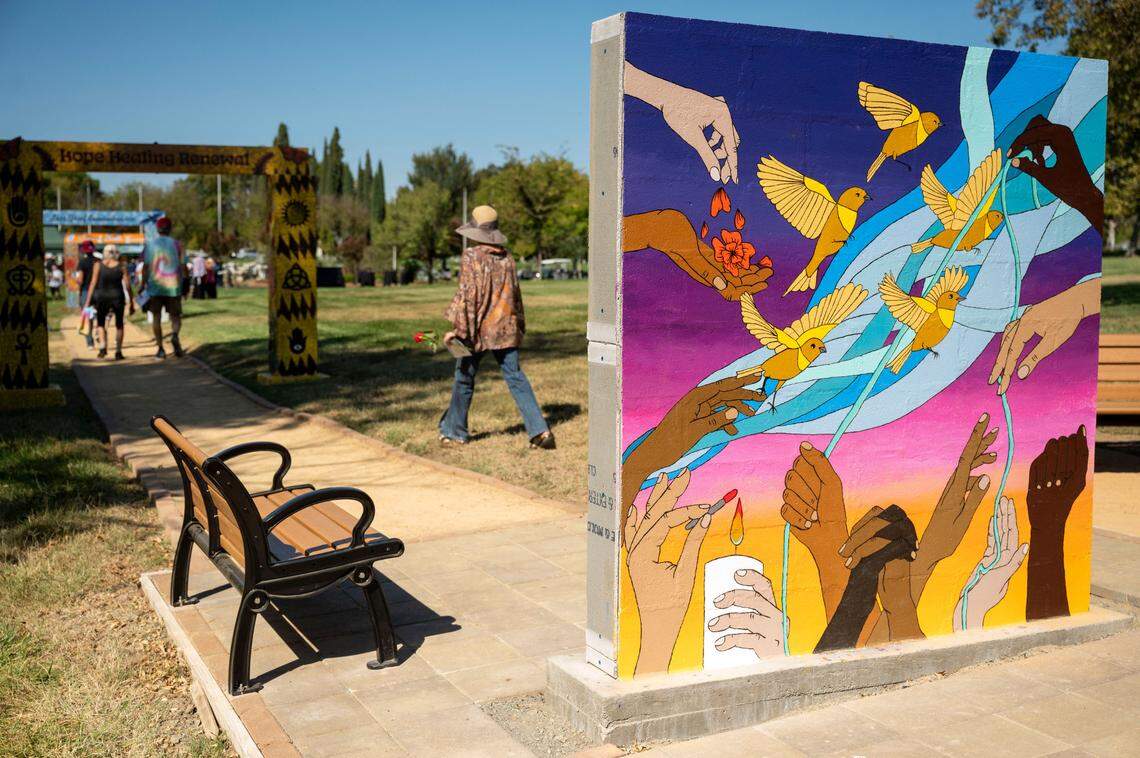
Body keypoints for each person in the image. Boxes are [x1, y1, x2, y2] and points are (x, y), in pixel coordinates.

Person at [439, 205, 555, 450]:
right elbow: (516, 297)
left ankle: (454, 431)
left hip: (479, 330)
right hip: (506, 328)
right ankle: (540, 431)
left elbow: (468, 297)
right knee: (515, 377)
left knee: (464, 378)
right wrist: (519, 325)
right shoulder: (508, 259)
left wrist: (459, 331)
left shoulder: (472, 257)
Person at [141, 216, 185, 359]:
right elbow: (183, 265)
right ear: (170, 229)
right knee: (175, 317)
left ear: (157, 229)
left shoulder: (150, 245)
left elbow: (146, 267)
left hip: (155, 287)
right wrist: (185, 281)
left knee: (156, 318)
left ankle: (160, 348)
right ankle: (175, 335)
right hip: (173, 287)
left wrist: (143, 284)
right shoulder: (178, 244)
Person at [82, 244, 134, 359]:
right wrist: (131, 302)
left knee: (100, 323)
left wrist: (87, 301)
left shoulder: (98, 265)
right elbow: (128, 285)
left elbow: (93, 283)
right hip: (117, 297)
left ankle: (102, 348)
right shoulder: (121, 266)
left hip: (102, 298)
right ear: (116, 253)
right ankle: (118, 351)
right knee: (119, 325)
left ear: (104, 253)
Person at [76, 239, 99, 348]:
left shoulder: (82, 262)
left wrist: (78, 291)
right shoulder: (98, 261)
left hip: (86, 292)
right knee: (100, 315)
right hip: (99, 291)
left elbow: (80, 279)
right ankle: (99, 332)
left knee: (87, 317)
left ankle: (90, 343)